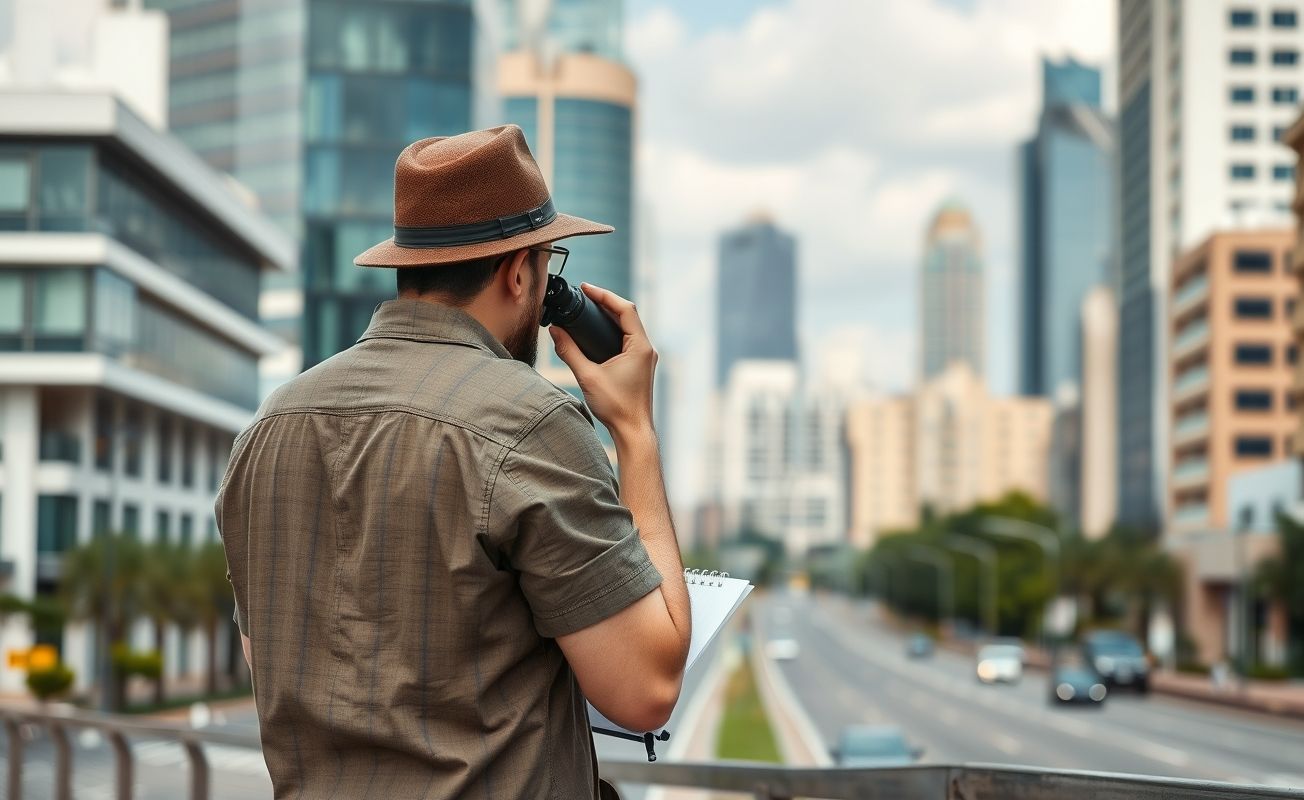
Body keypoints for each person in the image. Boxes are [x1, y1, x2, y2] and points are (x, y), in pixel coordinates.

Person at [216, 125, 691, 799]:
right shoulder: (530, 423)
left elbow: (274, 660)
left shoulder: (268, 430)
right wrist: (636, 431)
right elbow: (647, 690)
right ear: (519, 271)